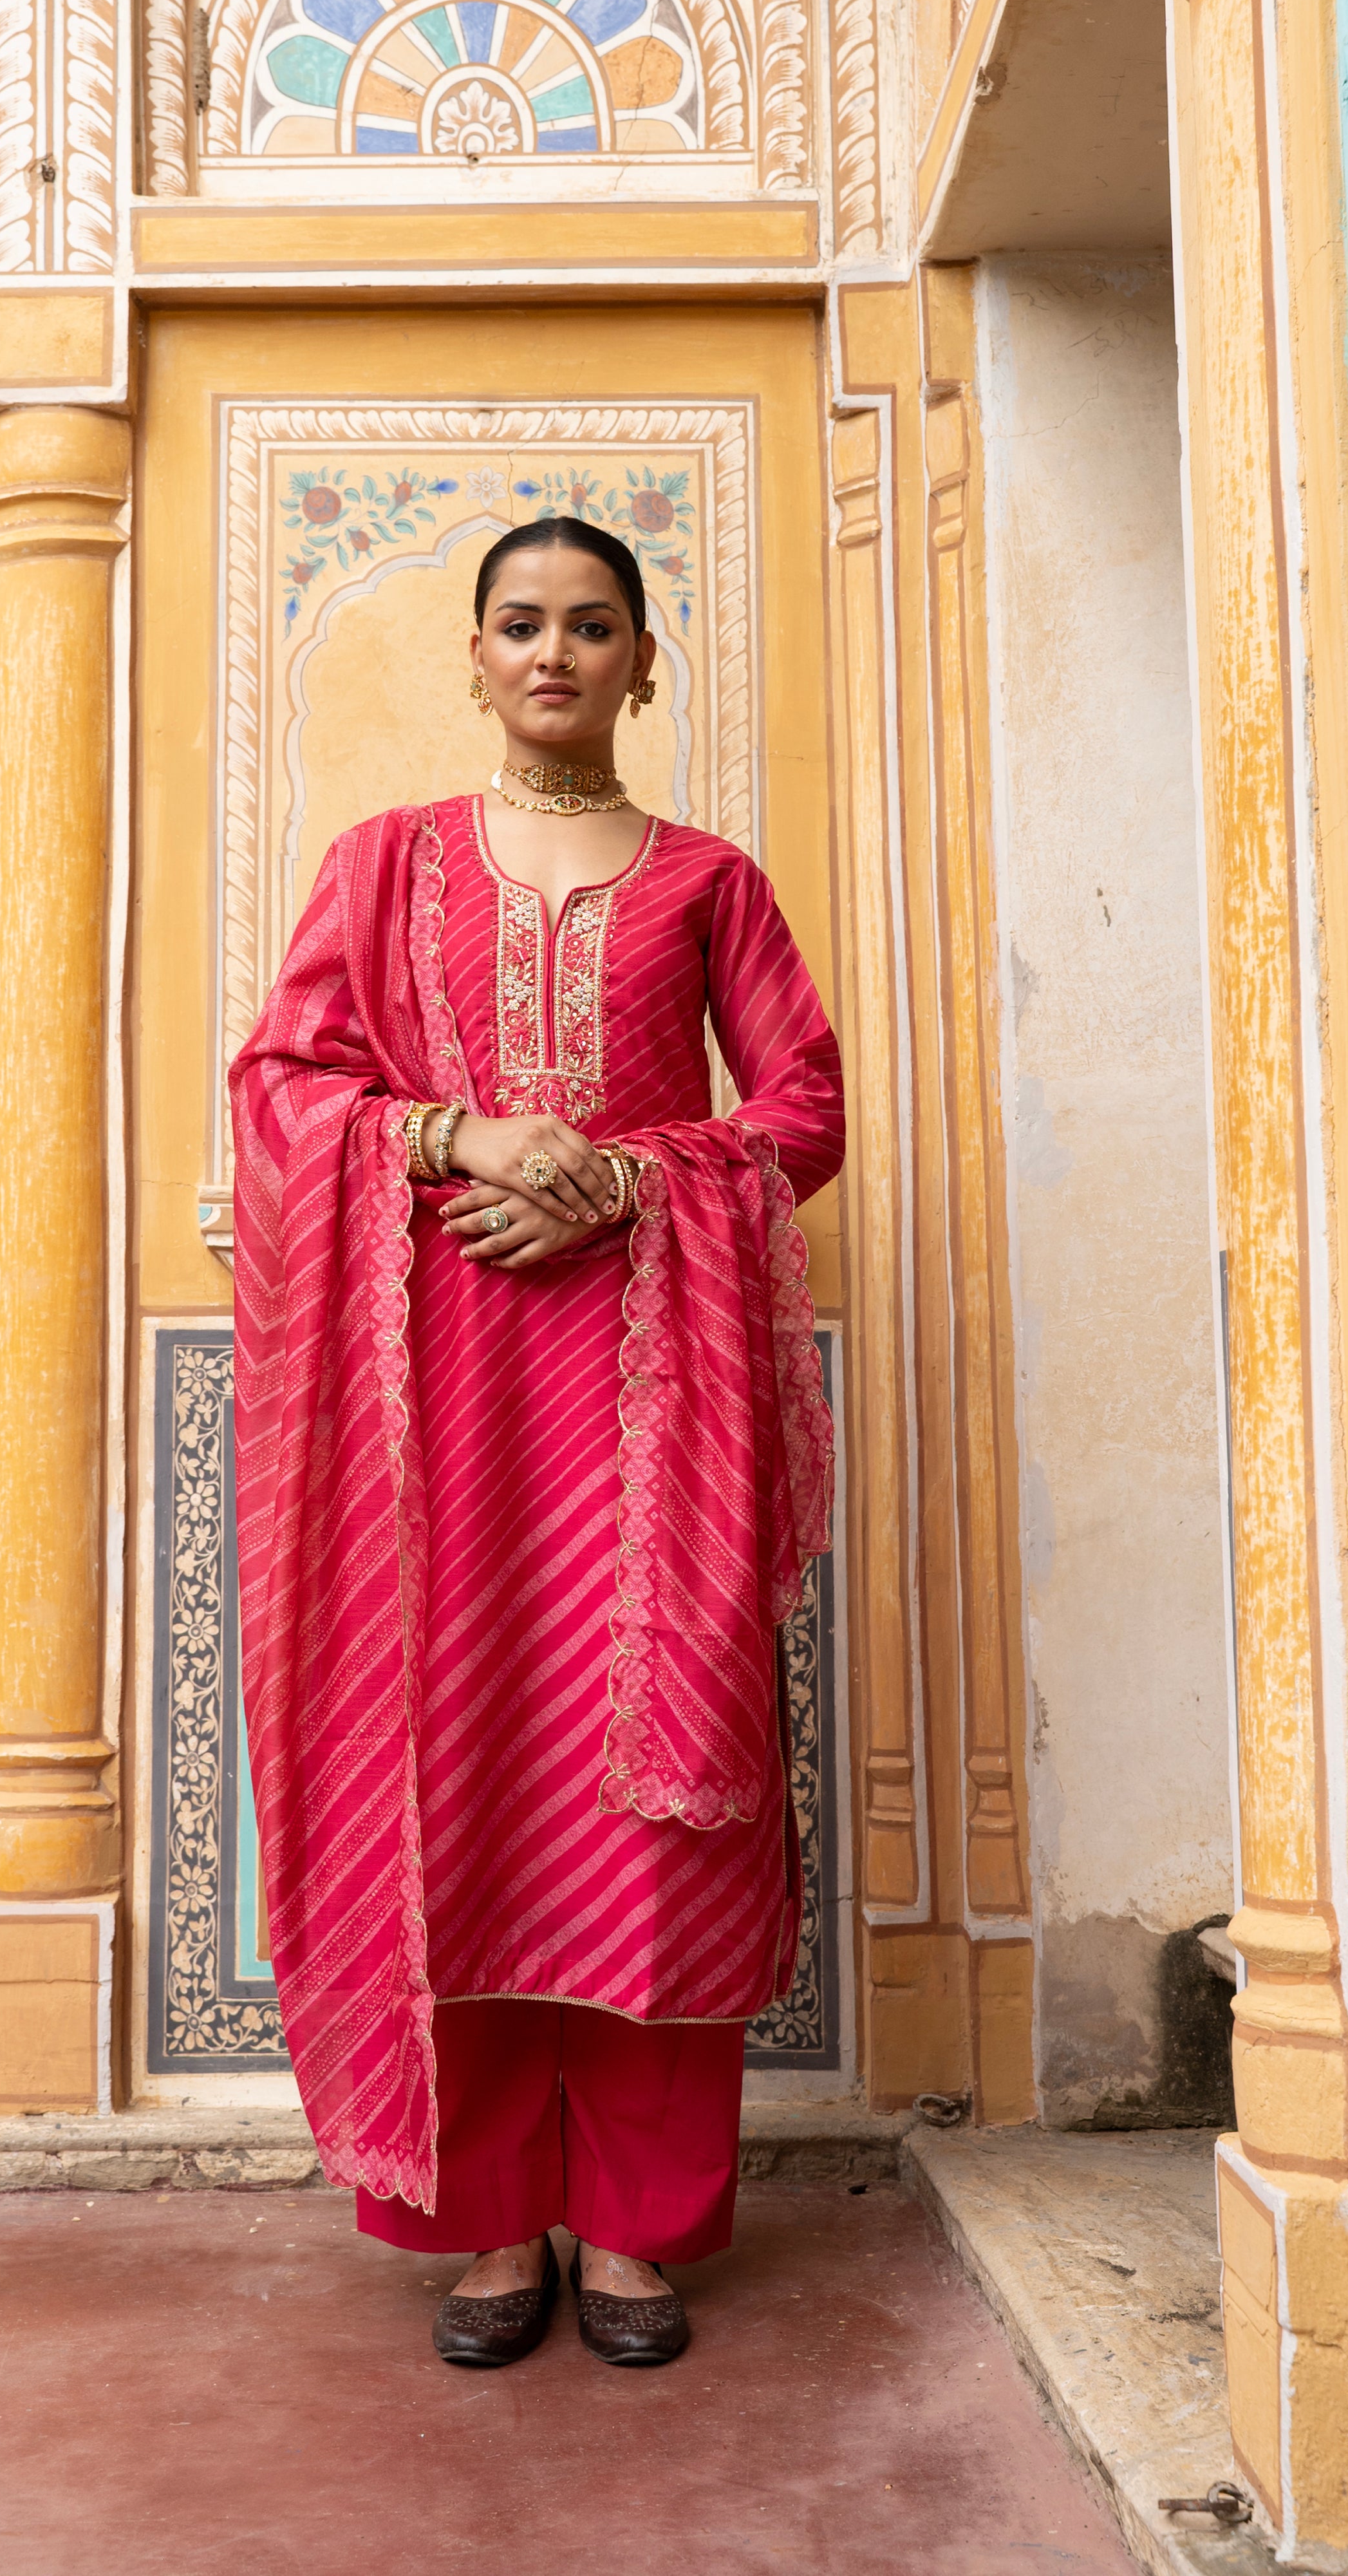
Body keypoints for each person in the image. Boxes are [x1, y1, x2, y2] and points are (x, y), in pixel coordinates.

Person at [229, 514, 845, 2369]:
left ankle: (643, 2228)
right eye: (522, 625)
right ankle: (487, 2222)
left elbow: (802, 1108)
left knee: (654, 1776)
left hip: (659, 1400)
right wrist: (465, 1142)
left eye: (594, 626)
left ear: (646, 661)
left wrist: (623, 1189)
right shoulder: (387, 865)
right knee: (460, 1767)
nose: (556, 653)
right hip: (435, 1408)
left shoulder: (710, 884)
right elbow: (287, 1083)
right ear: (480, 658)